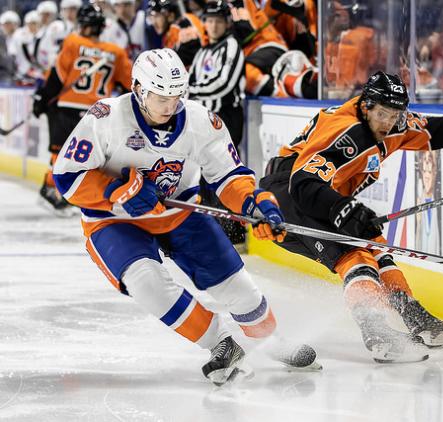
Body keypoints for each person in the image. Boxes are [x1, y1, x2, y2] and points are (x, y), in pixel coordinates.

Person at [52, 47, 318, 385]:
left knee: (239, 288)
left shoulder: (200, 121)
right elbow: (67, 177)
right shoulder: (106, 118)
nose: (170, 106)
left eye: (177, 96)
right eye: (161, 97)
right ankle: (221, 342)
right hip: (114, 219)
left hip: (179, 210)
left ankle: (271, 340)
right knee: (145, 282)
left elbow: (228, 176)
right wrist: (114, 192)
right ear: (138, 89)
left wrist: (255, 204)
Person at [260, 71, 443, 362]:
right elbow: (303, 184)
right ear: (366, 106)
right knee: (355, 256)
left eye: (395, 114)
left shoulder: (392, 122)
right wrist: (341, 209)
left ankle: (411, 313)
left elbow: (432, 132)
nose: (388, 122)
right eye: (382, 114)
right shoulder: (348, 132)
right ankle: (376, 331)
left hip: (321, 195)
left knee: (377, 248)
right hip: (286, 196)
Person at [33, 4, 133, 215]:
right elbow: (130, 84)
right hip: (97, 113)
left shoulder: (73, 42)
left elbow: (57, 76)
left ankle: (52, 188)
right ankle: (60, 191)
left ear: (85, 25)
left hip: (67, 108)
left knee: (61, 155)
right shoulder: (115, 52)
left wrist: (43, 99)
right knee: (87, 156)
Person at [189, 0, 247, 246]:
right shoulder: (203, 51)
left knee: (224, 173)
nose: (213, 26)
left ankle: (233, 232)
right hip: (204, 119)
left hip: (226, 118)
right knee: (202, 174)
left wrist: (191, 90)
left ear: (227, 23)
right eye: (209, 21)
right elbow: (189, 80)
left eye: (218, 21)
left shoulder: (232, 46)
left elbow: (224, 84)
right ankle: (212, 229)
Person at [147, 0, 207, 66]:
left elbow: (182, 64)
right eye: (151, 17)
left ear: (170, 16)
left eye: (157, 16)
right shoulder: (170, 32)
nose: (154, 22)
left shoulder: (181, 29)